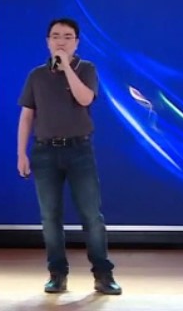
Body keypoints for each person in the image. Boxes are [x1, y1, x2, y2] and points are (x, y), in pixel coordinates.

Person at [16, 17, 121, 295]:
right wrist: (21, 153)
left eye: (67, 37)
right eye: (55, 36)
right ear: (47, 41)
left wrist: (66, 69)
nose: (60, 41)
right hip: (45, 152)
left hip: (79, 151)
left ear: (76, 42)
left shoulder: (86, 69)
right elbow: (27, 116)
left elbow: (85, 99)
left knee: (91, 215)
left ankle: (103, 275)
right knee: (50, 218)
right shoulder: (36, 75)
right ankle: (57, 274)